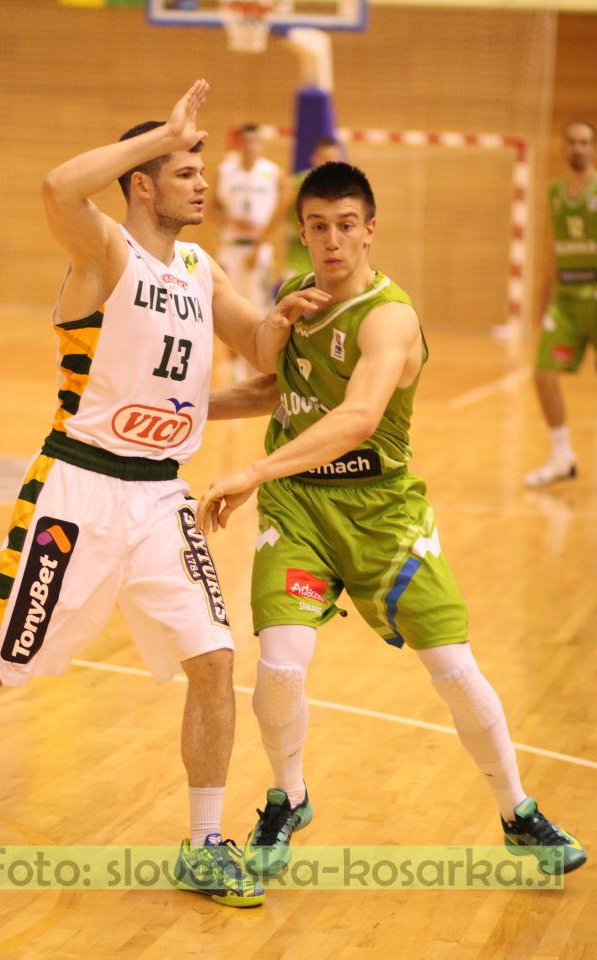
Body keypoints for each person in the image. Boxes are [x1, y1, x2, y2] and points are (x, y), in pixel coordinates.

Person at [0, 80, 329, 908]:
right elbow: (57, 186)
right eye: (184, 169)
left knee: (214, 660)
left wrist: (289, 316)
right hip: (78, 495)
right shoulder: (105, 252)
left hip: (162, 497)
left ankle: (204, 842)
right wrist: (158, 133)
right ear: (141, 184)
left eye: (201, 167)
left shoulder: (200, 267)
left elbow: (260, 357)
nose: (203, 182)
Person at [199, 161, 587, 879]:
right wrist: (184, 406)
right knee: (280, 665)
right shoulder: (294, 295)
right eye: (318, 226)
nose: (333, 240)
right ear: (304, 232)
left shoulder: (391, 316)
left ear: (370, 229)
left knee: (454, 669)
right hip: (301, 509)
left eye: (347, 225)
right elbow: (274, 390)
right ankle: (289, 797)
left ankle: (517, 812)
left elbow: (357, 417)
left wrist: (253, 471)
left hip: (384, 516)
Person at [525, 120, 597, 488]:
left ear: (593, 147)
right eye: (571, 142)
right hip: (566, 299)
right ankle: (561, 456)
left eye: (585, 142)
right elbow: (553, 247)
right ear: (563, 146)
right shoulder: (554, 193)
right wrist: (543, 298)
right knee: (543, 374)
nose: (578, 149)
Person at [211, 124, 286, 379]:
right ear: (239, 144)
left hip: (258, 250)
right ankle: (234, 369)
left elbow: (282, 211)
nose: (250, 146)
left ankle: (259, 367)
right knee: (229, 307)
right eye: (245, 141)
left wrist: (260, 242)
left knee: (259, 307)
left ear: (260, 145)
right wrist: (232, 221)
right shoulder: (225, 171)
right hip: (231, 249)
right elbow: (211, 210)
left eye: (255, 141)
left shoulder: (272, 173)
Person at [254, 136, 344, 280]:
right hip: (301, 252)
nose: (330, 163)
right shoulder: (296, 184)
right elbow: (277, 215)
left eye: (334, 158)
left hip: (333, 253)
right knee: (302, 296)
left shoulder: (347, 188)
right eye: (325, 158)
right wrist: (259, 243)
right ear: (314, 158)